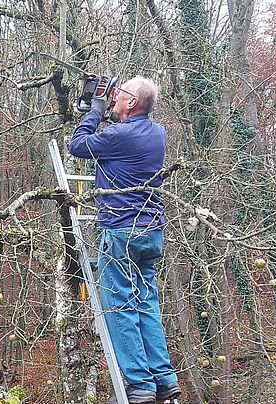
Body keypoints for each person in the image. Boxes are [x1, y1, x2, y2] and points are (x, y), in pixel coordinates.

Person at [68, 76, 181, 404]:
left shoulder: (119, 135)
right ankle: (165, 379)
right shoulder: (157, 133)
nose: (115, 97)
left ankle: (140, 385)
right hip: (151, 233)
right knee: (147, 305)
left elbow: (78, 145)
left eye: (121, 95)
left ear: (132, 103)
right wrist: (104, 111)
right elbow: (116, 143)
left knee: (120, 307)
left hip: (122, 232)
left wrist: (95, 110)